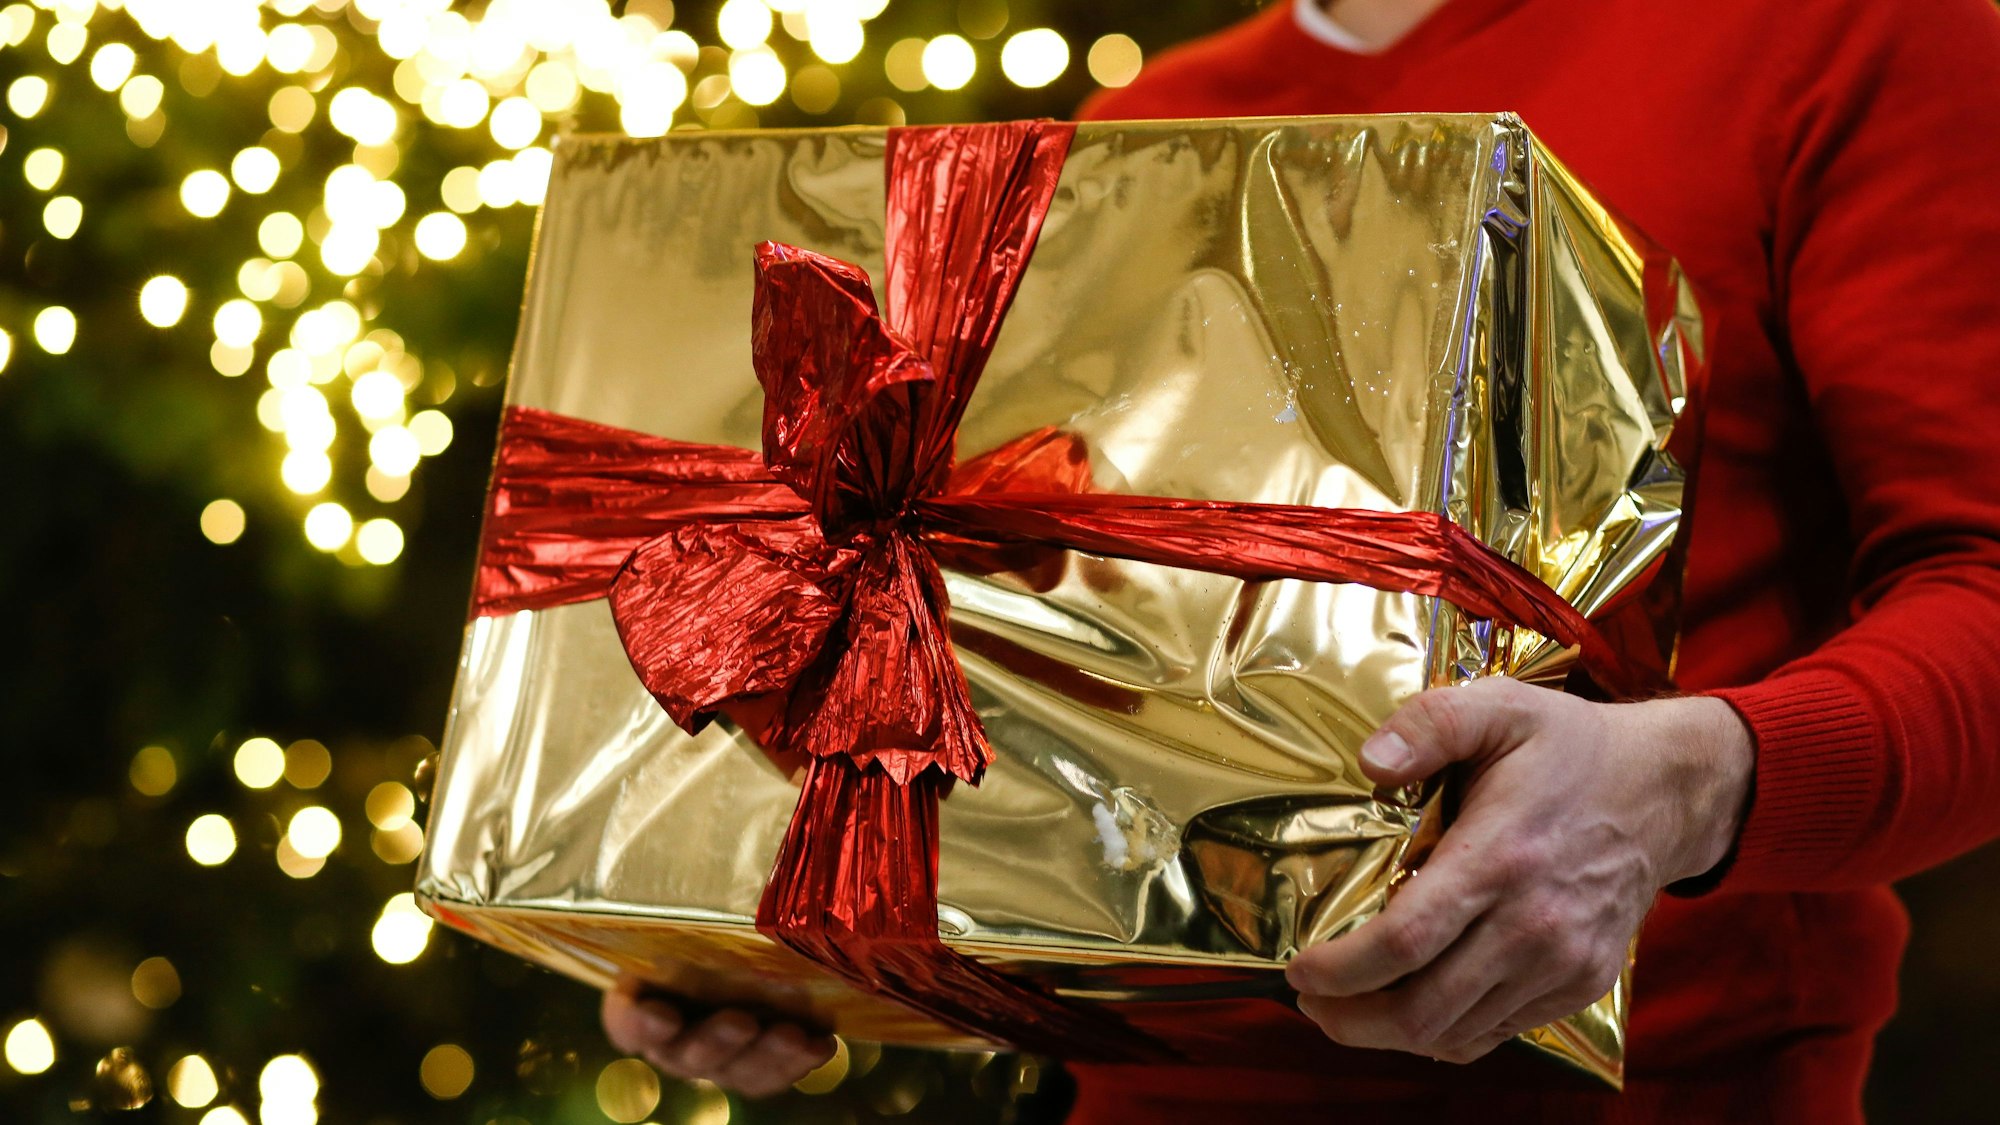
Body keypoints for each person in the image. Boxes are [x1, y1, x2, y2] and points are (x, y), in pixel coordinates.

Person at [602, 0, 2000, 1120]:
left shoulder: (1850, 29)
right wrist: (765, 920)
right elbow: (1060, 731)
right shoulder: (1143, 124)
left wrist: (1690, 786)